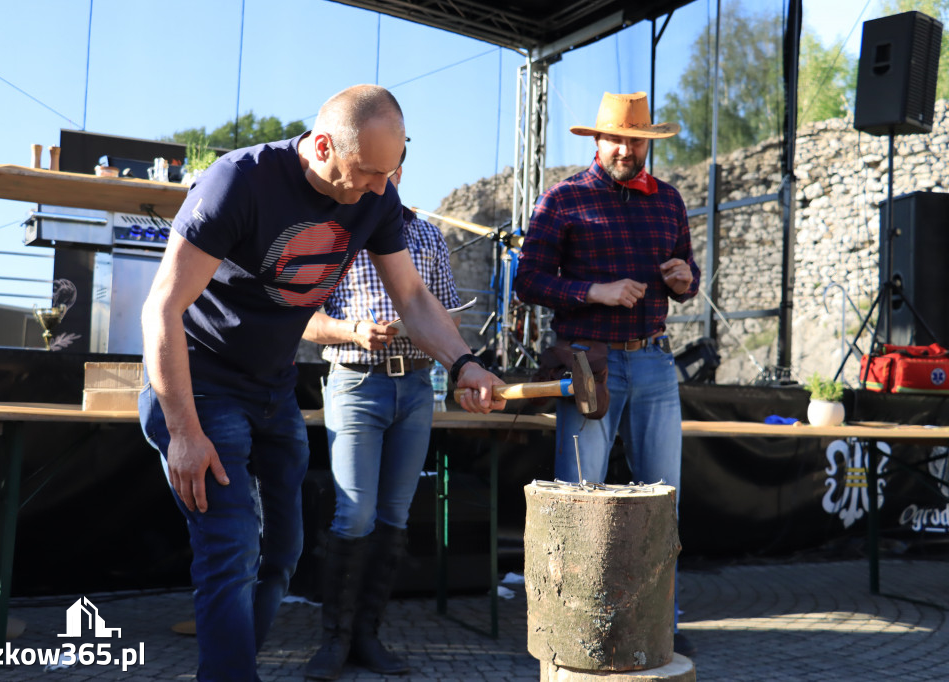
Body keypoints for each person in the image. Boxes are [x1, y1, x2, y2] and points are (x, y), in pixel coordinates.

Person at [138, 84, 504, 682]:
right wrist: (182, 430)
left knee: (282, 554)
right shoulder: (239, 182)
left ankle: (233, 664)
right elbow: (161, 309)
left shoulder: (376, 196)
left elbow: (412, 297)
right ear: (324, 143)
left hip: (273, 388)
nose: (380, 188)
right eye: (365, 172)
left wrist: (464, 363)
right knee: (232, 549)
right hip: (200, 386)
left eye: (390, 172)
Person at [514, 91, 700, 657]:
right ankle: (569, 629)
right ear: (597, 140)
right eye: (616, 138)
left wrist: (684, 279)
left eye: (635, 140)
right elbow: (528, 282)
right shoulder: (563, 198)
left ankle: (659, 626)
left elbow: (688, 274)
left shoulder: (669, 202)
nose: (625, 148)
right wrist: (595, 291)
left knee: (662, 498)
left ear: (647, 143)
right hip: (589, 362)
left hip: (653, 360)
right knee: (577, 497)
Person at [300, 164, 458, 680]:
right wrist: (352, 330)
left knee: (394, 515)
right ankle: (334, 641)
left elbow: (444, 317)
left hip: (415, 387)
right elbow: (305, 318)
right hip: (355, 381)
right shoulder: (332, 232)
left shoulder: (427, 234)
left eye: (392, 164)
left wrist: (462, 362)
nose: (383, 173)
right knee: (354, 515)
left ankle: (367, 636)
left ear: (400, 166)